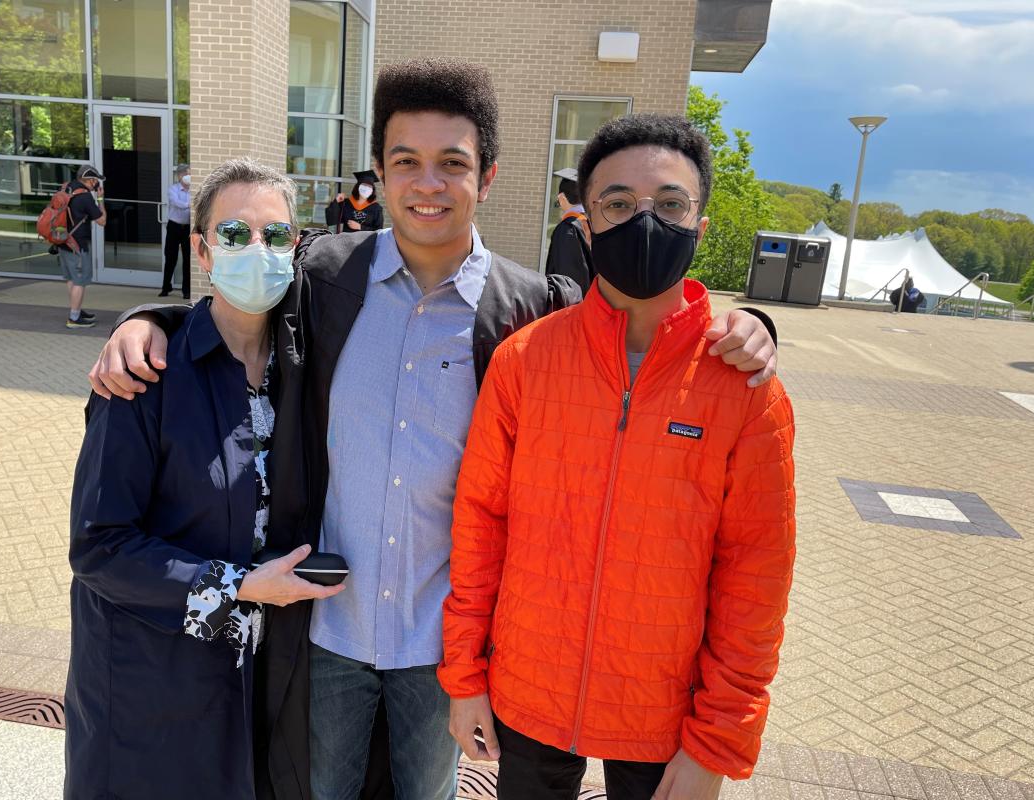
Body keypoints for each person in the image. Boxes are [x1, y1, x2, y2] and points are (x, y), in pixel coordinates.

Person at [86, 60, 780, 800]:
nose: (428, 183)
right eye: (405, 162)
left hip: (442, 646)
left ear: (487, 178)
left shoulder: (532, 308)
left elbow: (630, 332)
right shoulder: (323, 277)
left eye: (453, 163)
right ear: (380, 175)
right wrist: (144, 322)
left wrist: (750, 327)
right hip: (325, 629)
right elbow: (236, 308)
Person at [442, 114, 797, 800]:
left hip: (667, 710)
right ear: (586, 221)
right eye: (618, 204)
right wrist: (465, 679)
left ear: (700, 222)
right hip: (529, 689)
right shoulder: (526, 361)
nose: (645, 221)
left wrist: (718, 743)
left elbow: (756, 579)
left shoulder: (747, 388)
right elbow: (480, 525)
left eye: (669, 204)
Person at [64, 158, 344, 799]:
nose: (257, 250)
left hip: (258, 675)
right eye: (235, 234)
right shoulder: (143, 375)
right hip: (149, 675)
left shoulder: (303, 367)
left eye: (274, 236)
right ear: (202, 248)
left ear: (295, 246)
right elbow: (99, 546)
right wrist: (240, 586)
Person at [60, 165, 106, 329]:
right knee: (80, 281)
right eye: (95, 180)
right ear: (89, 180)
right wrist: (100, 199)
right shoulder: (85, 197)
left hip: (63, 242)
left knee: (72, 279)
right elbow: (102, 221)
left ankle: (77, 310)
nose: (96, 184)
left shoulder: (67, 188)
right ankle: (73, 318)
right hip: (78, 245)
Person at [544, 167, 594, 293]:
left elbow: (569, 281)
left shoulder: (568, 229)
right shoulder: (592, 222)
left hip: (575, 305)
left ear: (562, 198)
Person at [160, 163, 193, 299]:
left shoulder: (193, 190)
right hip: (174, 226)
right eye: (186, 174)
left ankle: (186, 290)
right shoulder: (173, 189)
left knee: (187, 259)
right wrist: (189, 205)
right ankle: (166, 287)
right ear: (180, 176)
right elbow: (176, 203)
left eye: (190, 174)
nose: (188, 177)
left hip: (187, 228)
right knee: (170, 257)